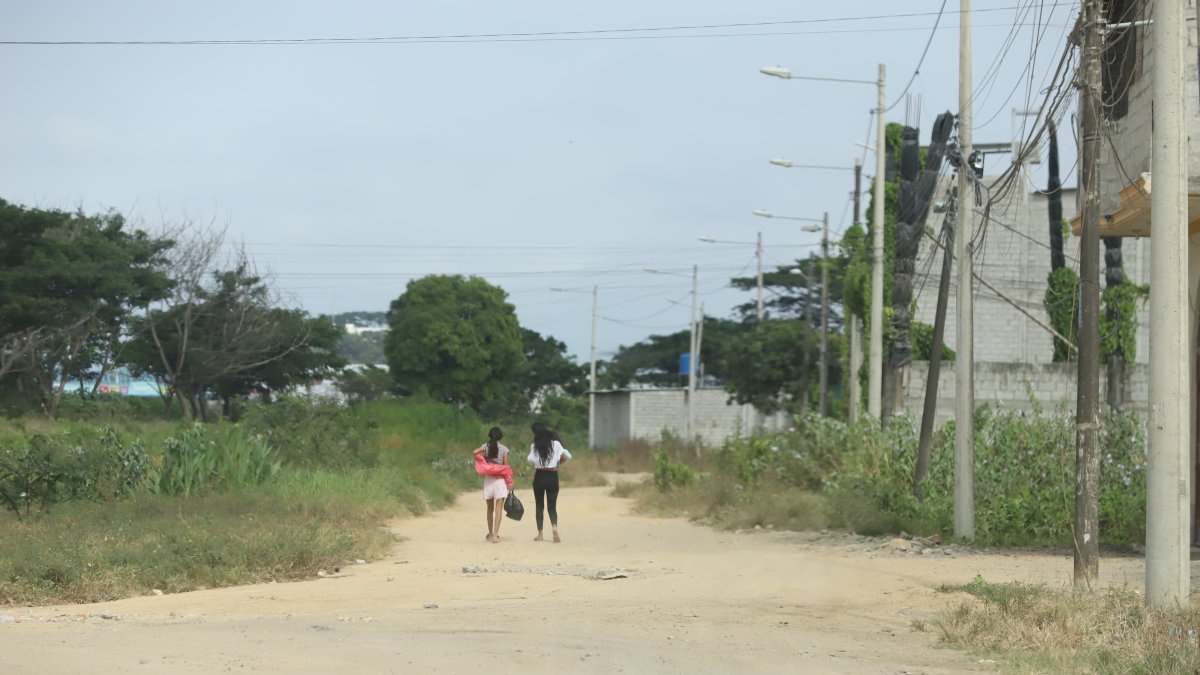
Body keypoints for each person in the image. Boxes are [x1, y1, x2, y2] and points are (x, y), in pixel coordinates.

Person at [527, 422, 570, 543]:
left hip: (539, 476)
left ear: (535, 433)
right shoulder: (556, 444)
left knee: (539, 506)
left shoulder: (534, 445)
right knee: (552, 507)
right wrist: (557, 464)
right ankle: (554, 527)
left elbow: (530, 459)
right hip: (552, 476)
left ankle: (540, 534)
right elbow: (565, 457)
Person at [472, 426, 509, 543]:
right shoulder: (504, 449)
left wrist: (484, 459)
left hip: (489, 480)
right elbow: (506, 467)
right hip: (500, 481)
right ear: (500, 436)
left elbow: (474, 452)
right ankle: (495, 535)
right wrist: (509, 482)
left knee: (489, 508)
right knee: (499, 508)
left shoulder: (486, 447)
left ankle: (490, 533)